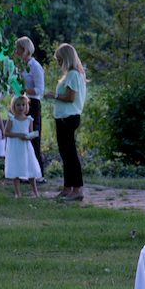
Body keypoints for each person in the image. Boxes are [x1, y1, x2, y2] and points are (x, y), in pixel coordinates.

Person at [49, 42, 87, 201]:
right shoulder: (72, 74)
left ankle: (77, 189)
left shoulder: (73, 75)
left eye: (59, 59)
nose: (58, 63)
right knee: (65, 154)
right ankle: (67, 187)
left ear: (66, 59)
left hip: (68, 118)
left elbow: (71, 97)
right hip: (63, 118)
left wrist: (54, 96)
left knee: (70, 154)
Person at [13, 37, 47, 180]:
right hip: (20, 104)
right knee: (21, 139)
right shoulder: (19, 66)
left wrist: (23, 89)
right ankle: (24, 174)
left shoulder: (35, 66)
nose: (15, 52)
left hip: (32, 105)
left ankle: (38, 175)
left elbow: (40, 89)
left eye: (18, 49)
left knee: (33, 137)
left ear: (24, 49)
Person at [2, 95, 41, 198]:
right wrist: (18, 135)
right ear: (13, 106)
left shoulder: (29, 119)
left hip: (26, 148)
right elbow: (6, 133)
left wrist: (29, 137)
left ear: (26, 106)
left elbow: (30, 133)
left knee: (30, 167)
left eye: (23, 105)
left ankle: (35, 192)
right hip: (15, 147)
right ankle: (17, 193)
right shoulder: (12, 119)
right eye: (18, 105)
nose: (21, 107)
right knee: (16, 168)